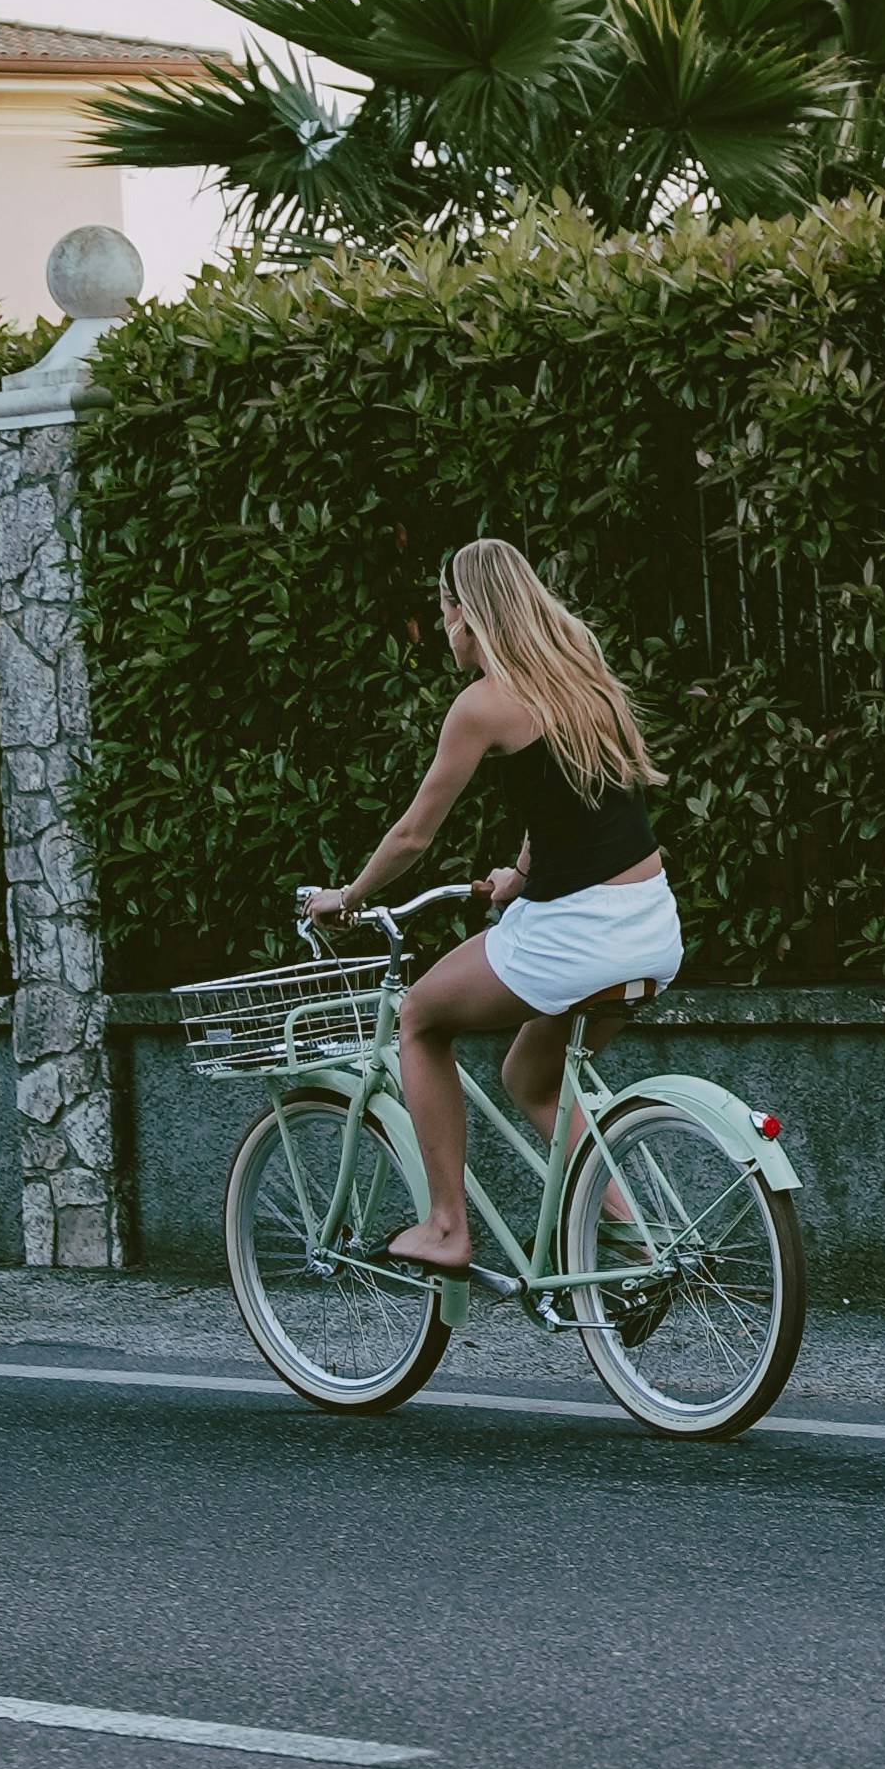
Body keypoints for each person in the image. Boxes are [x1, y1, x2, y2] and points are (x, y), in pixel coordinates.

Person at [302, 538, 677, 1277]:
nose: (444, 630)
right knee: (531, 1081)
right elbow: (570, 799)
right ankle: (637, 1241)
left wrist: (346, 897)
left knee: (418, 1016)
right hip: (652, 925)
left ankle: (446, 1227)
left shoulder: (482, 704)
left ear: (466, 614)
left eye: (443, 613)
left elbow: (413, 835)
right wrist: (520, 873)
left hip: (575, 933)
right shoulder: (583, 675)